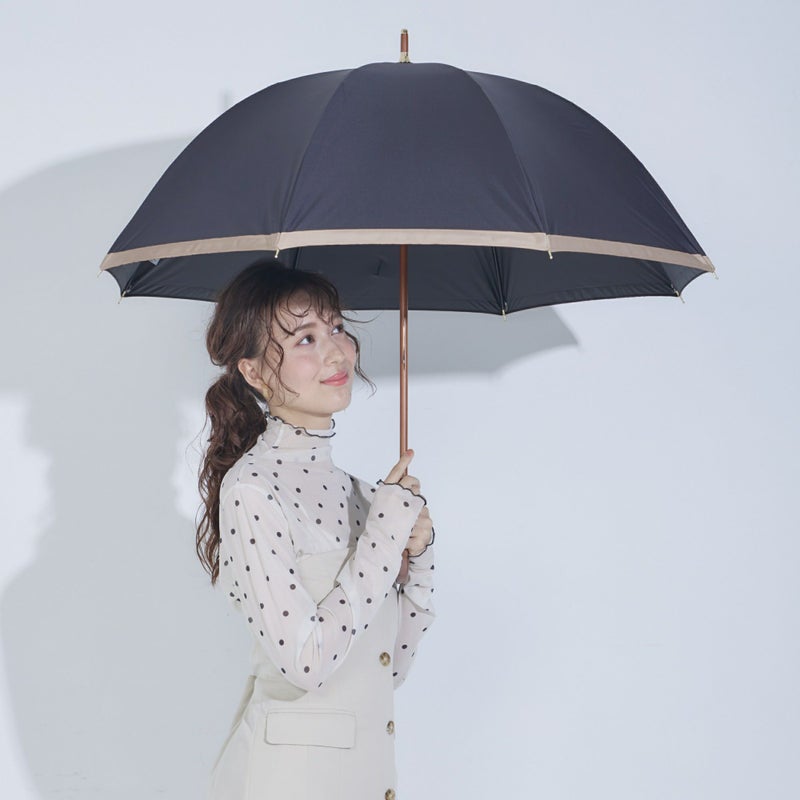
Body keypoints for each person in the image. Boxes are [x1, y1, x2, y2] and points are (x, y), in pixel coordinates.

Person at [196, 260, 436, 800]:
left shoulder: (366, 496)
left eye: (336, 328)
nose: (336, 352)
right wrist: (382, 540)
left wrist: (418, 557)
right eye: (305, 338)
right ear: (253, 371)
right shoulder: (252, 489)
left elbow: (388, 669)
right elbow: (307, 662)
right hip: (289, 783)